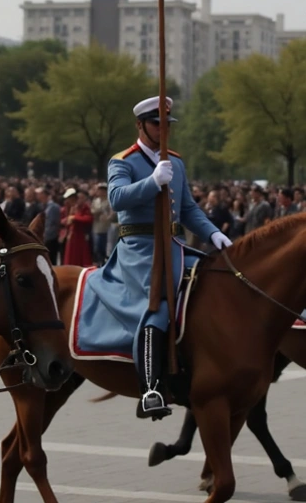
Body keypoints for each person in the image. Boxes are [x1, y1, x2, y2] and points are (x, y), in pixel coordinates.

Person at [91, 95, 228, 420]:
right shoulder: (122, 161)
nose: (163, 130)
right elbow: (117, 199)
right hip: (139, 248)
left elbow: (189, 207)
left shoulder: (175, 162)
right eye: (157, 123)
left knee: (214, 286)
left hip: (174, 243)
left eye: (168, 124)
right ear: (140, 125)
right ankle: (151, 386)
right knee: (159, 303)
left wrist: (213, 234)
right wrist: (151, 182)